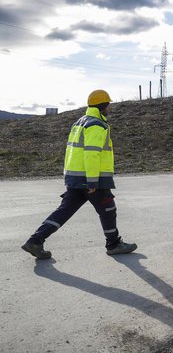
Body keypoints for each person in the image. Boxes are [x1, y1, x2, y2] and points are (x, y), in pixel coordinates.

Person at [21, 90, 137, 259]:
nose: (109, 108)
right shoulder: (96, 125)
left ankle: (35, 241)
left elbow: (71, 152)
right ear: (103, 106)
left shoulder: (79, 123)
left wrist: (70, 178)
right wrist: (92, 181)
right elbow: (91, 153)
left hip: (74, 178)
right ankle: (113, 244)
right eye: (108, 105)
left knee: (64, 211)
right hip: (91, 178)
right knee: (108, 209)